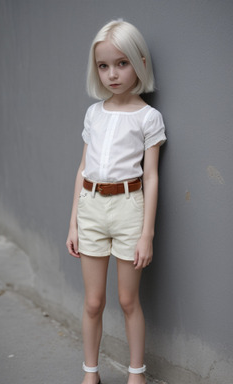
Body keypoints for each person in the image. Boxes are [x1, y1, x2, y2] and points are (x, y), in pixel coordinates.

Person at [66, 19, 166, 384]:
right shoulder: (94, 113)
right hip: (91, 206)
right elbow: (82, 168)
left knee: (128, 301)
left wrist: (147, 234)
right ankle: (90, 373)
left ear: (139, 62)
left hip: (129, 209)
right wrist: (74, 222)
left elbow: (152, 176)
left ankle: (135, 373)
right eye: (103, 66)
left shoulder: (148, 118)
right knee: (93, 302)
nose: (112, 74)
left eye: (121, 63)